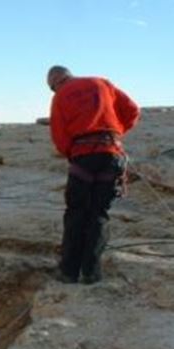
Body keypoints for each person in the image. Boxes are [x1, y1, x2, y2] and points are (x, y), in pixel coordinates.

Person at [47, 66, 140, 284]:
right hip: (111, 155)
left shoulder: (61, 96)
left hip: (83, 159)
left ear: (55, 83)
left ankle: (68, 271)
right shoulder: (102, 83)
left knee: (76, 213)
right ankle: (91, 272)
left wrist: (73, 151)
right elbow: (132, 110)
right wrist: (114, 135)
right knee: (99, 213)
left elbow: (60, 136)